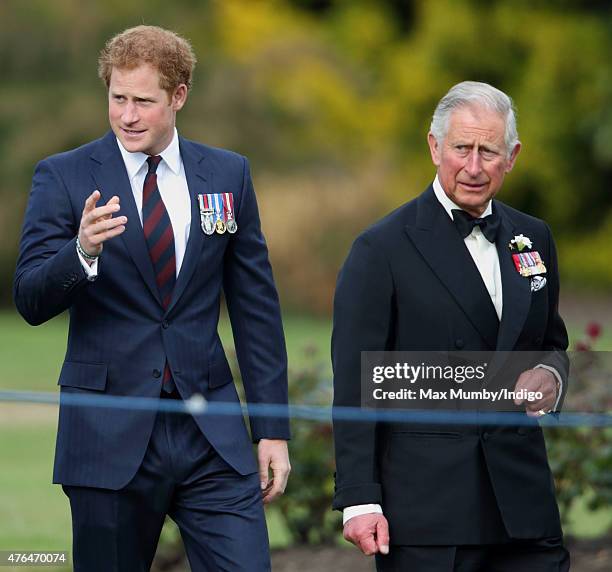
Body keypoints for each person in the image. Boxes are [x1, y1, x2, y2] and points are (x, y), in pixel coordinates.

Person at [14, 25, 290, 572]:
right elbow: (29, 298)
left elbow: (256, 311)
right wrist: (81, 251)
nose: (127, 115)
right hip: (107, 435)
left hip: (210, 434)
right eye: (118, 98)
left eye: (144, 100)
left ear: (178, 96)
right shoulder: (64, 176)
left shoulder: (228, 175)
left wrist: (272, 429)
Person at [332, 81, 570, 571]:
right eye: (462, 148)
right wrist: (359, 499)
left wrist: (551, 375)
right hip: (428, 515)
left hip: (524, 508)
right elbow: (355, 381)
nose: (475, 167)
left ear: (514, 155)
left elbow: (551, 343)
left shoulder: (535, 236)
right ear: (435, 146)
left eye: (490, 151)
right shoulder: (381, 249)